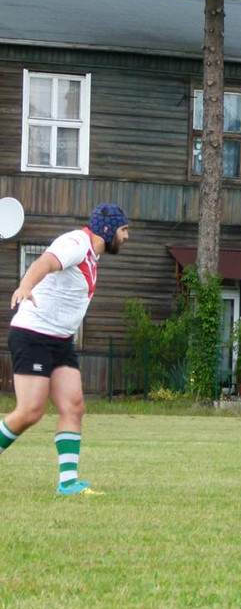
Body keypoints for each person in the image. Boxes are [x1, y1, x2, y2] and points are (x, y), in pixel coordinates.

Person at [1, 204, 130, 496]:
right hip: (32, 334)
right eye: (123, 230)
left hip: (60, 340)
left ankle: (68, 483)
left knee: (74, 406)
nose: (127, 236)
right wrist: (25, 286)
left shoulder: (92, 255)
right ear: (108, 231)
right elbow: (43, 263)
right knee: (30, 411)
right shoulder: (76, 243)